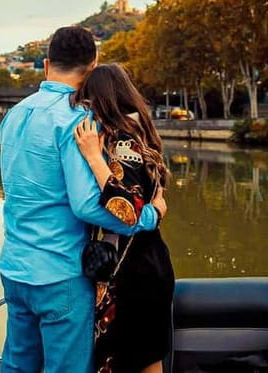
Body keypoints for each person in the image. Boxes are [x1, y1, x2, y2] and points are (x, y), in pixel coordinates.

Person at [0, 26, 167, 373]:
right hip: (60, 273)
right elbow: (87, 205)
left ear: (46, 65)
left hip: (14, 265)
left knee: (17, 365)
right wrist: (150, 215)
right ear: (93, 65)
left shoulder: (14, 115)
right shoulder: (79, 120)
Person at [73, 63, 175, 373]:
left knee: (134, 359)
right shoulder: (140, 133)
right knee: (143, 357)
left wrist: (92, 157)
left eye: (87, 102)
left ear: (100, 100)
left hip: (135, 270)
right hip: (144, 263)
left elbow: (128, 210)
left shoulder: (123, 142)